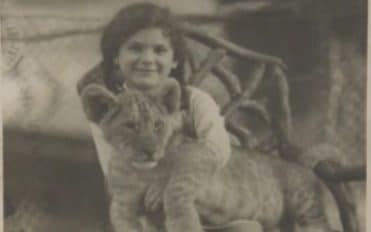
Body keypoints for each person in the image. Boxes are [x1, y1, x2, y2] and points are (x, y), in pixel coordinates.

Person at [77, 3, 231, 232]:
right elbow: (113, 171)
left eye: (159, 50)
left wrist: (170, 180)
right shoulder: (108, 109)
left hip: (201, 199)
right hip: (140, 205)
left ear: (176, 60)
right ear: (115, 58)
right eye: (136, 48)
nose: (148, 59)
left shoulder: (195, 99)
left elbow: (219, 150)